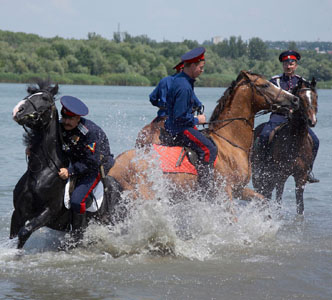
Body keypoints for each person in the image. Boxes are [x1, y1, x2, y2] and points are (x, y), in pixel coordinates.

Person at [258, 50, 319, 183]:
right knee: (264, 135)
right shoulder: (275, 81)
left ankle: (308, 170)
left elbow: (308, 101)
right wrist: (275, 106)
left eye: (291, 63)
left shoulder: (302, 82)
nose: (288, 66)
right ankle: (264, 165)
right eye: (286, 63)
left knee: (315, 141)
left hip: (296, 121)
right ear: (283, 65)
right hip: (278, 117)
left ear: (296, 65)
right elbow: (267, 99)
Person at [58, 95, 115, 233]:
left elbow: (92, 161)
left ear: (78, 118)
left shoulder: (90, 132)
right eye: (64, 117)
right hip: (75, 160)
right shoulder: (61, 125)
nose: (65, 122)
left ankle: (78, 234)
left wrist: (70, 171)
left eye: (70, 119)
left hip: (96, 166)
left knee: (77, 201)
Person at [165, 47, 217, 194]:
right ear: (193, 66)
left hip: (176, 125)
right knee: (209, 149)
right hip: (179, 129)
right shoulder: (184, 86)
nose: (202, 70)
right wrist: (197, 119)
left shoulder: (182, 80)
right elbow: (180, 116)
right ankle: (205, 191)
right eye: (201, 67)